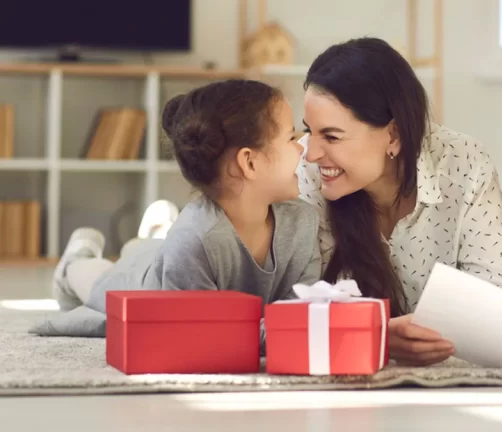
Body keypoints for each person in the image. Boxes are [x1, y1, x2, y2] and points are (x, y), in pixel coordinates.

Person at [297, 37, 502, 367]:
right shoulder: (307, 172)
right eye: (308, 130)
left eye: (331, 136)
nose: (310, 153)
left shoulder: (463, 163)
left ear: (393, 135)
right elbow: (289, 313)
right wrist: (376, 336)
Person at [52, 79, 320, 316]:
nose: (303, 148)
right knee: (102, 283)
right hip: (148, 287)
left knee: (153, 249)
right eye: (291, 137)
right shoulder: (193, 242)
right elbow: (210, 333)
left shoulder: (303, 222)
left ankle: (154, 236)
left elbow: (302, 314)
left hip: (175, 254)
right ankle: (75, 260)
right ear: (249, 163)